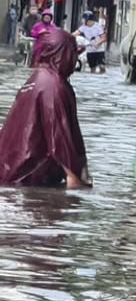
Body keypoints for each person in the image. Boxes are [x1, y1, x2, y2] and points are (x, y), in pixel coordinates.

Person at [0, 29, 91, 188]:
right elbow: (59, 132)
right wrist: (73, 177)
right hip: (27, 178)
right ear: (63, 54)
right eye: (72, 52)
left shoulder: (37, 78)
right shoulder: (53, 86)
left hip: (12, 173)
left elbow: (69, 131)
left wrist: (82, 167)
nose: (75, 58)